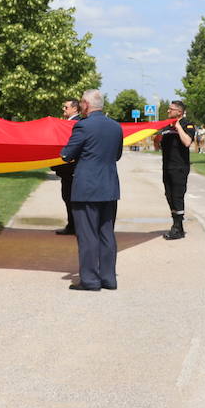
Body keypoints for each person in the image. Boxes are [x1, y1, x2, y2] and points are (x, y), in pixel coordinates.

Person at [60, 89, 123, 291]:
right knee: (107, 234)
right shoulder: (115, 127)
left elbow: (66, 154)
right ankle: (108, 279)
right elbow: (118, 155)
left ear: (86, 104)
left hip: (87, 188)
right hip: (109, 187)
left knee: (87, 236)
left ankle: (90, 280)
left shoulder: (83, 126)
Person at [159, 100, 195, 240]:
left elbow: (187, 142)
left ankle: (177, 227)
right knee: (169, 195)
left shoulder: (187, 124)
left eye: (171, 109)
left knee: (177, 196)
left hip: (179, 167)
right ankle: (176, 224)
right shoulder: (166, 126)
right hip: (167, 166)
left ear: (179, 112)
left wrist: (178, 127)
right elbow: (159, 145)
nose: (168, 111)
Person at [52, 99, 82, 234]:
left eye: (66, 107)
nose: (63, 109)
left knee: (70, 198)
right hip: (68, 170)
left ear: (75, 109)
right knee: (68, 198)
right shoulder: (69, 123)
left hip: (71, 169)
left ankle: (74, 227)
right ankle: (72, 225)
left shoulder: (75, 124)